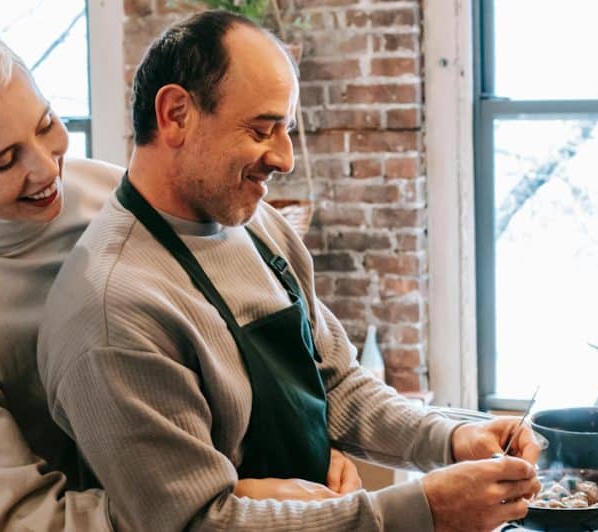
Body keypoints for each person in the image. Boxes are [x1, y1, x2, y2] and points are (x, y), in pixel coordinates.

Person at [38, 10, 541, 532]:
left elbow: (337, 383)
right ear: (176, 114)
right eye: (262, 129)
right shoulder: (113, 310)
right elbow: (197, 523)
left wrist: (452, 440)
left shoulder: (259, 227)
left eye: (287, 129)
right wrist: (422, 511)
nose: (285, 158)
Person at [0, 17, 360, 532]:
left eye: (45, 124)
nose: (47, 168)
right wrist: (221, 497)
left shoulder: (107, 191)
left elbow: (220, 349)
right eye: (4, 161)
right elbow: (27, 516)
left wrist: (305, 443)